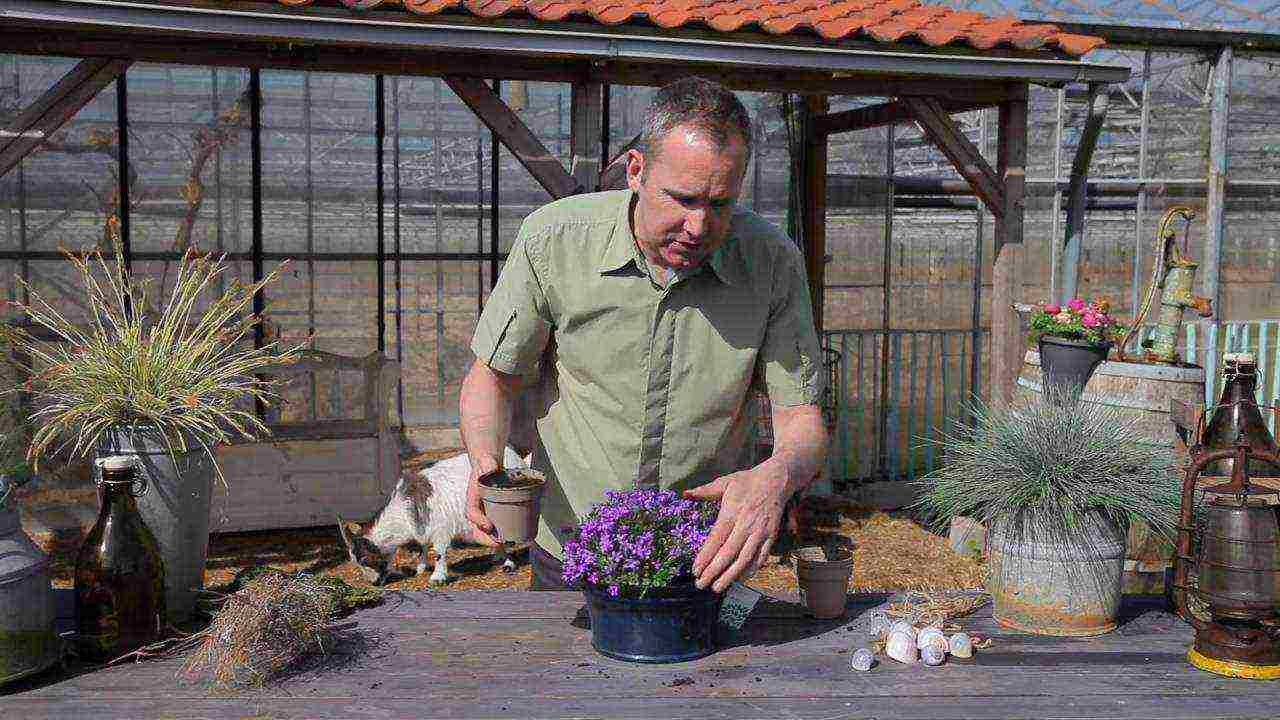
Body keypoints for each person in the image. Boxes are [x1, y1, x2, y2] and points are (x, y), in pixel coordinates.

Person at [459, 77, 828, 593]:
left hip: (702, 555)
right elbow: (493, 378)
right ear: (636, 171)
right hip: (575, 550)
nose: (698, 226)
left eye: (720, 204)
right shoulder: (556, 243)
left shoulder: (770, 264)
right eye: (682, 199)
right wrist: (485, 465)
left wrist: (778, 476)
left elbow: (802, 420)